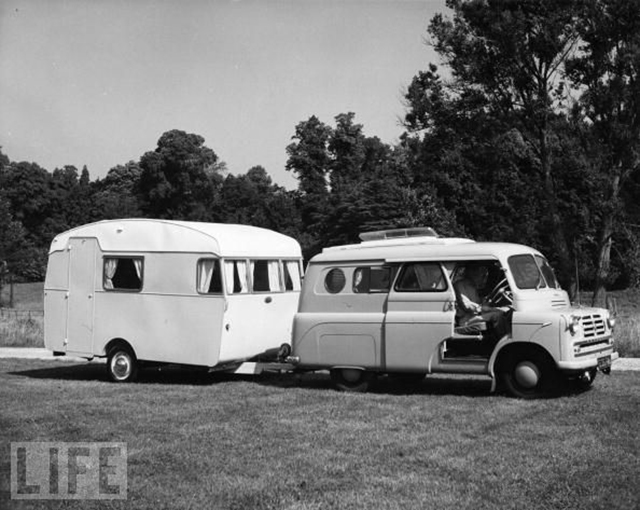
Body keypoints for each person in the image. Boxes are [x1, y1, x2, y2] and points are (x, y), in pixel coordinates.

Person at [454, 263, 509, 339]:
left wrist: (486, 302)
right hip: (466, 319)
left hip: (475, 315)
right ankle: (502, 339)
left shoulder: (473, 285)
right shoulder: (460, 285)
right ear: (469, 271)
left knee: (505, 311)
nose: (479, 274)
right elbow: (466, 305)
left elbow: (478, 302)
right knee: (497, 315)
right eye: (476, 270)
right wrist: (483, 308)